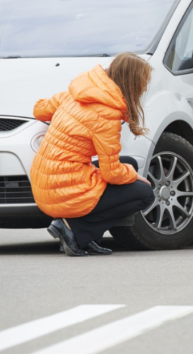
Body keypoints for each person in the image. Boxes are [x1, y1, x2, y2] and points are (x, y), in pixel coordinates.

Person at [30, 52, 156, 257]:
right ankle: (75, 230)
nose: (144, 89)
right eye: (144, 84)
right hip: (63, 188)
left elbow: (39, 110)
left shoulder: (79, 92)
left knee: (129, 162)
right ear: (133, 84)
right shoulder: (107, 114)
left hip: (45, 179)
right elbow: (112, 173)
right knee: (144, 193)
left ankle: (85, 237)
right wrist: (134, 175)